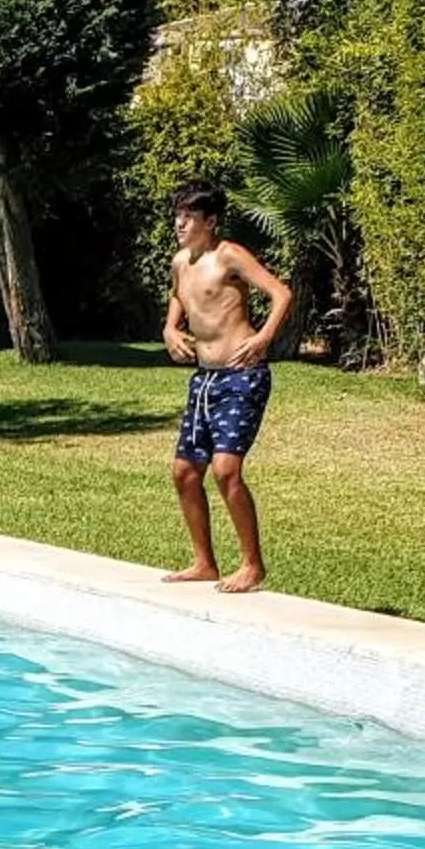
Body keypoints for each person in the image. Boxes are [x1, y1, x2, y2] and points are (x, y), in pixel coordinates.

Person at [162, 179, 295, 595]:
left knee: (225, 469)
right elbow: (180, 298)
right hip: (204, 379)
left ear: (211, 221)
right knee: (184, 472)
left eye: (189, 217)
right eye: (178, 216)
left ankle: (252, 565)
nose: (180, 224)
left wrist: (263, 338)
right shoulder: (181, 262)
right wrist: (170, 328)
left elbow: (281, 293)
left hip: (242, 377)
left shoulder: (230, 255)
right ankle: (204, 562)